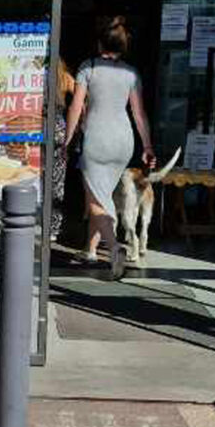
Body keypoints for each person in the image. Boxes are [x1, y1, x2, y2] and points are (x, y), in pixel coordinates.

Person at [65, 16, 155, 279]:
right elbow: (139, 114)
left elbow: (75, 107)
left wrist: (68, 140)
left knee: (95, 201)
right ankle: (91, 249)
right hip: (123, 142)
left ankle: (115, 248)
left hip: (97, 139)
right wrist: (147, 146)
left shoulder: (87, 67)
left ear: (98, 42)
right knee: (103, 195)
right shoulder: (130, 73)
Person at [51, 60, 76, 243]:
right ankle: (54, 226)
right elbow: (83, 97)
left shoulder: (39, 75)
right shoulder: (65, 78)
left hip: (37, 125)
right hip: (59, 128)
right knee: (57, 181)